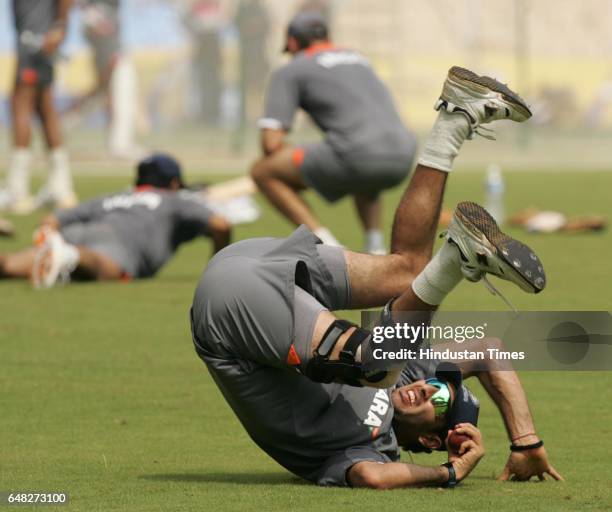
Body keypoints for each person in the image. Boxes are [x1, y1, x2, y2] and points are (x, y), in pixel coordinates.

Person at [191, 66, 563, 488]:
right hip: (262, 262)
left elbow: (372, 476)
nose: (425, 389)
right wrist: (526, 443)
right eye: (434, 385)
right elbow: (490, 350)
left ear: (427, 439)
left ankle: (456, 257)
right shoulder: (411, 375)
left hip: (226, 312)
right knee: (406, 274)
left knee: (373, 366)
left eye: (437, 400)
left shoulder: (369, 448)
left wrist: (449, 472)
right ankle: (455, 118)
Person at [250, 11, 417, 254]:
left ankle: (327, 246)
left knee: (263, 170)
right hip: (404, 151)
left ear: (293, 43)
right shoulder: (360, 59)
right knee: (364, 173)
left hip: (358, 155)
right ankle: (376, 247)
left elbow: (270, 143)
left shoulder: (292, 70)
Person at [0, 154, 231, 288]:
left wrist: (48, 230)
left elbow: (53, 218)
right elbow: (221, 225)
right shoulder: (174, 199)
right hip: (115, 246)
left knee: (10, 265)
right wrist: (215, 270)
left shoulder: (116, 196)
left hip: (78, 231)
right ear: (173, 183)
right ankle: (70, 256)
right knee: (103, 266)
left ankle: (63, 254)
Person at [1, 0, 77, 214]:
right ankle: (61, 187)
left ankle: (18, 189)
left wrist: (59, 27)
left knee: (20, 103)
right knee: (45, 108)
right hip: (37, 36)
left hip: (33, 38)